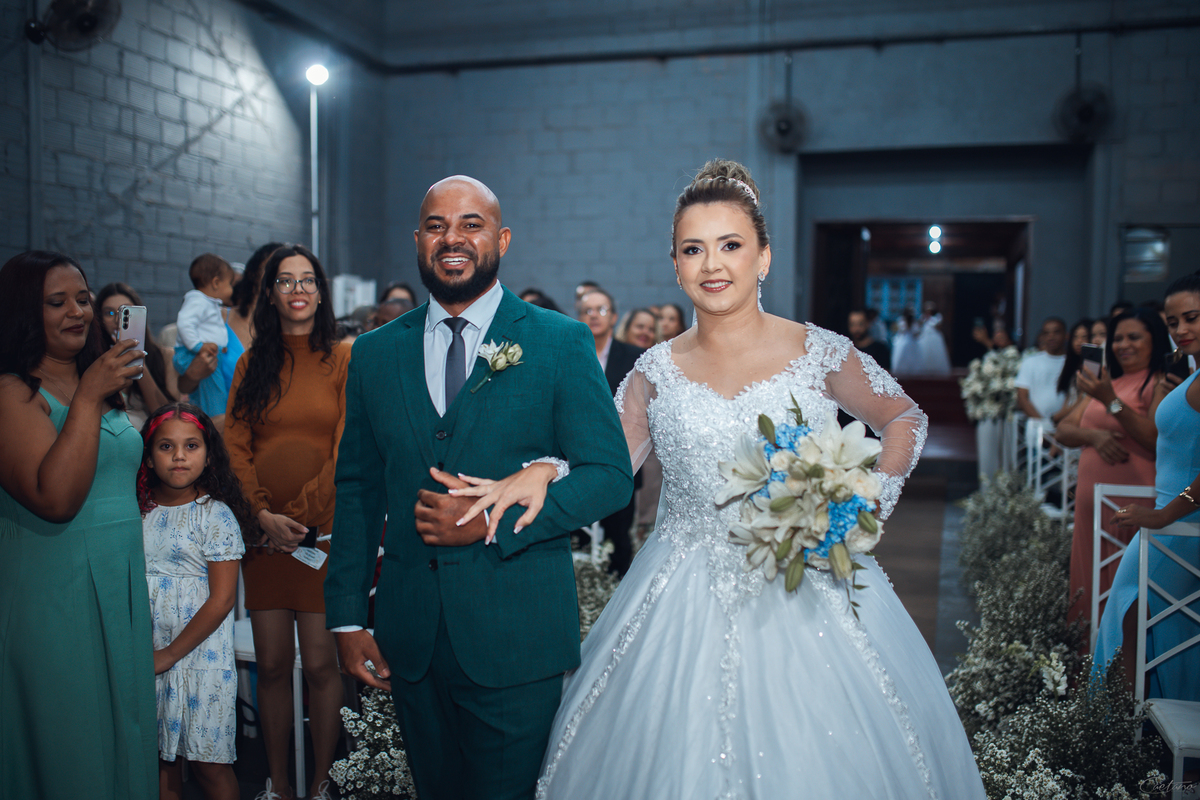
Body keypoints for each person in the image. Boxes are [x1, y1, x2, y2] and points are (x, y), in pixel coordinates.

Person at [462, 161, 984, 798]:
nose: (712, 264)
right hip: (679, 592)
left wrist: (861, 503)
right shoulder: (654, 371)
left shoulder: (819, 351)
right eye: (693, 249)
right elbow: (607, 463)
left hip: (807, 579)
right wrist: (546, 469)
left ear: (763, 257)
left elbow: (904, 418)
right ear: (676, 266)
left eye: (730, 245)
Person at [324, 175, 632, 800]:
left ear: (503, 239)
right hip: (411, 636)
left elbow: (608, 476)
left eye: (472, 224)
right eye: (436, 225)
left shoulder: (559, 341)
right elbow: (357, 490)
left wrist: (491, 520)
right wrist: (348, 617)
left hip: (517, 632)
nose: (452, 238)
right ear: (417, 239)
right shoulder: (375, 353)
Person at [0, 250, 157, 798]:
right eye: (56, 302)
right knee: (73, 749)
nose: (78, 312)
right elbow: (56, 499)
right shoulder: (12, 393)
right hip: (55, 592)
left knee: (124, 735)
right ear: (24, 311)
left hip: (118, 585)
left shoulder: (104, 385)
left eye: (83, 299)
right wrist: (89, 394)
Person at [225, 245, 351, 800]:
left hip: (320, 535)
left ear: (320, 293)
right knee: (272, 665)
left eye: (307, 280)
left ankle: (322, 783)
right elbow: (235, 444)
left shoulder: (343, 358)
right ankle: (278, 785)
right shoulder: (251, 363)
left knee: (322, 665)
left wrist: (294, 519)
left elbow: (345, 450)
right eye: (285, 281)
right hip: (263, 538)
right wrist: (260, 515)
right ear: (271, 294)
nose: (297, 290)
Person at [138, 402, 252, 800]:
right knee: (160, 761)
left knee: (208, 764)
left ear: (209, 455)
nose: (179, 456)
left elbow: (222, 600)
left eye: (191, 445)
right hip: (147, 650)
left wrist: (169, 654)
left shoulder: (215, 516)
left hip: (200, 657)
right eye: (166, 446)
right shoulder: (137, 511)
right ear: (148, 458)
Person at [1094, 273, 1200, 700]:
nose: (1181, 330)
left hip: (1178, 526)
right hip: (1173, 524)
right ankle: (1155, 725)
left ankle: (1116, 727)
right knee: (1168, 627)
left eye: (1192, 318)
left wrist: (1163, 514)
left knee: (1127, 620)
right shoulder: (1190, 374)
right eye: (1173, 322)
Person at [1056, 308, 1170, 633]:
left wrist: (1111, 401)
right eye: (1117, 338)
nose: (1123, 345)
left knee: (1124, 588)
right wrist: (1094, 436)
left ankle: (1118, 661)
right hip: (1090, 506)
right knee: (1088, 584)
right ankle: (1088, 659)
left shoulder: (1158, 382)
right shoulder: (1108, 382)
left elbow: (1154, 438)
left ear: (1154, 340)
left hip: (1130, 501)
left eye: (1134, 337)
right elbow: (1064, 429)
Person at [579, 287, 645, 576]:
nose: (594, 315)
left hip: (623, 454)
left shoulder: (633, 356)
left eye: (601, 309)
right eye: (587, 311)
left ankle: (619, 575)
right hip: (579, 454)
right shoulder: (573, 351)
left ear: (614, 317)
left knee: (620, 529)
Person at [97, 282, 177, 427]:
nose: (118, 320)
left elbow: (168, 417)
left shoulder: (165, 356)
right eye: (109, 313)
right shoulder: (94, 360)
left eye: (127, 312)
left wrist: (137, 360)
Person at [175, 254, 237, 419]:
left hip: (204, 354)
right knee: (215, 394)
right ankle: (215, 423)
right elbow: (184, 324)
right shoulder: (198, 301)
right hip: (193, 354)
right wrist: (198, 346)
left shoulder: (208, 303)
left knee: (206, 393)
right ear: (216, 283)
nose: (232, 289)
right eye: (230, 284)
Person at [1014, 317, 1068, 429]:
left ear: (1066, 335)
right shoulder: (1030, 361)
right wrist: (1042, 424)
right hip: (1036, 425)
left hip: (1066, 425)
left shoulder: (1072, 362)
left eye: (1056, 332)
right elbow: (1022, 397)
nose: (1051, 337)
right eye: (1046, 333)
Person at [228, 242, 283, 351]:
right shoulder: (219, 317)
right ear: (253, 273)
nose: (281, 275)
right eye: (274, 266)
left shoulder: (287, 334)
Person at [1050, 318, 1094, 426]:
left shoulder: (1091, 368)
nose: (1079, 342)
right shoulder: (1074, 366)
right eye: (1075, 337)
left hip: (1082, 420)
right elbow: (1069, 398)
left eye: (1084, 337)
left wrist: (1057, 417)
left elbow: (1082, 400)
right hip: (1068, 420)